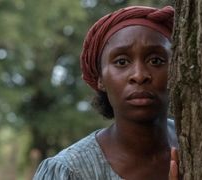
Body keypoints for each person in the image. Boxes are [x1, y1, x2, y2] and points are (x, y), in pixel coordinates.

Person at [33, 5, 178, 180]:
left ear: (176, 70)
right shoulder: (69, 171)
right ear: (100, 78)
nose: (139, 75)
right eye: (122, 62)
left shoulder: (199, 141)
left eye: (156, 60)